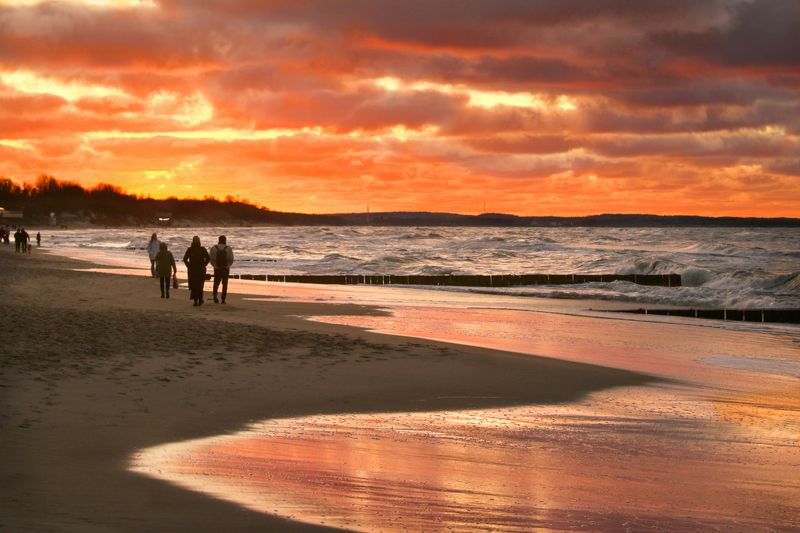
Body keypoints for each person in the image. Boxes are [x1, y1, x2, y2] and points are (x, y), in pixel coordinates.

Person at [183, 236, 210, 306]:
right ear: (199, 241)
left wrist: (188, 265)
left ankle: (195, 301)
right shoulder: (202, 249)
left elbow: (185, 259)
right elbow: (208, 258)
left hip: (192, 270)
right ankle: (200, 300)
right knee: (200, 286)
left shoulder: (190, 249)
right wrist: (204, 264)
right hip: (201, 270)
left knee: (194, 285)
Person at [209, 235, 234, 304]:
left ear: (218, 240)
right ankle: (223, 299)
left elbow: (211, 259)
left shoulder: (214, 248)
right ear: (225, 240)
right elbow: (231, 259)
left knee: (216, 283)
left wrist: (215, 266)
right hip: (225, 269)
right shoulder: (228, 248)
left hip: (217, 268)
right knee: (225, 284)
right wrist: (228, 266)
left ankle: (215, 296)